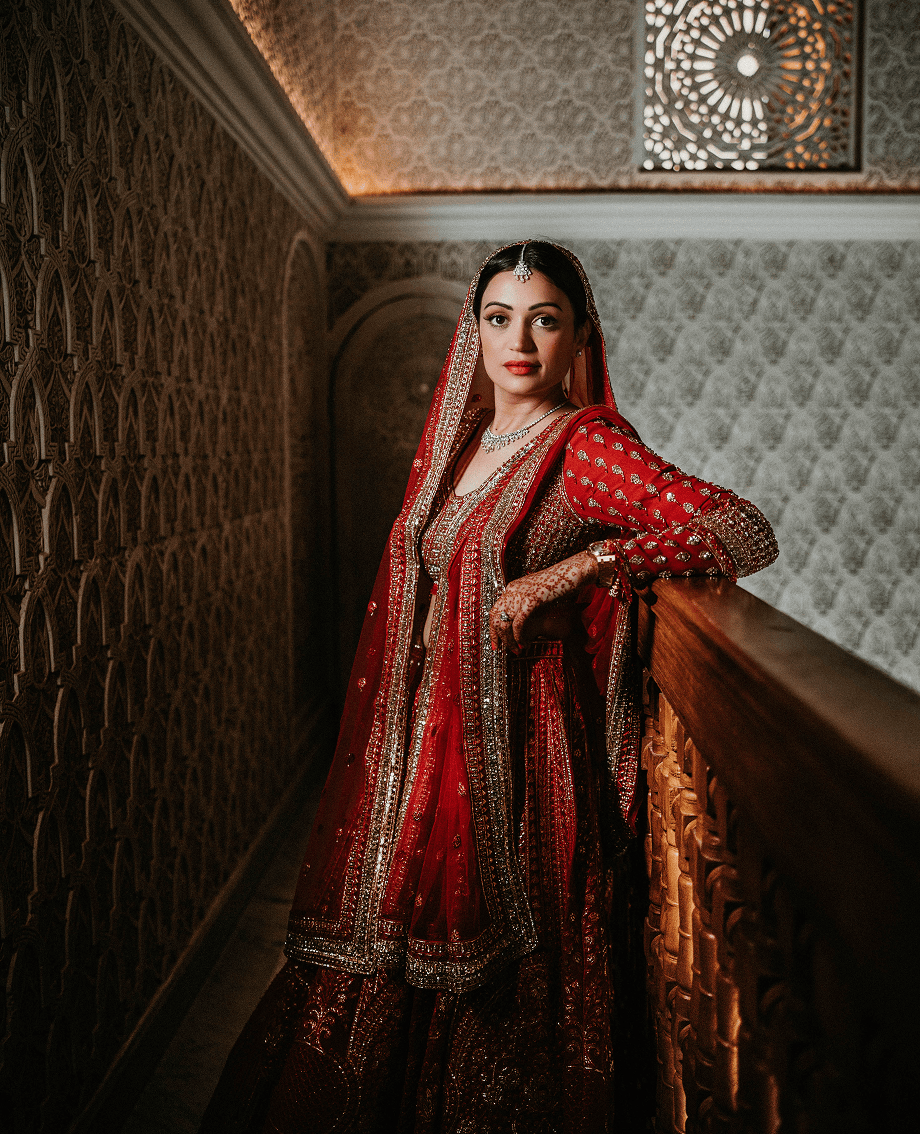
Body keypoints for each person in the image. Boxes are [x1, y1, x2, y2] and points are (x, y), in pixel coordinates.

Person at [199, 241, 777, 1134]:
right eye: (500, 318)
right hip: (417, 753)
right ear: (473, 330)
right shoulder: (461, 442)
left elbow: (743, 529)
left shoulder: (585, 447)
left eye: (545, 319)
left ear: (580, 335)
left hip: (518, 763)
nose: (520, 340)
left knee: (497, 999)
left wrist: (590, 563)